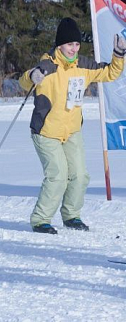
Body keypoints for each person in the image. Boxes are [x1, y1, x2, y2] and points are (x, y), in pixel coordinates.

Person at [20, 18, 125, 234]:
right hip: (46, 132)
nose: (74, 49)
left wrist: (119, 54)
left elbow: (109, 73)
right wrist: (32, 75)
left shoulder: (83, 65)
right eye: (70, 44)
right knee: (58, 176)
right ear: (60, 45)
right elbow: (25, 80)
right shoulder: (48, 66)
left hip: (72, 131)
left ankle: (71, 216)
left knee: (80, 175)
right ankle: (40, 220)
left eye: (77, 44)